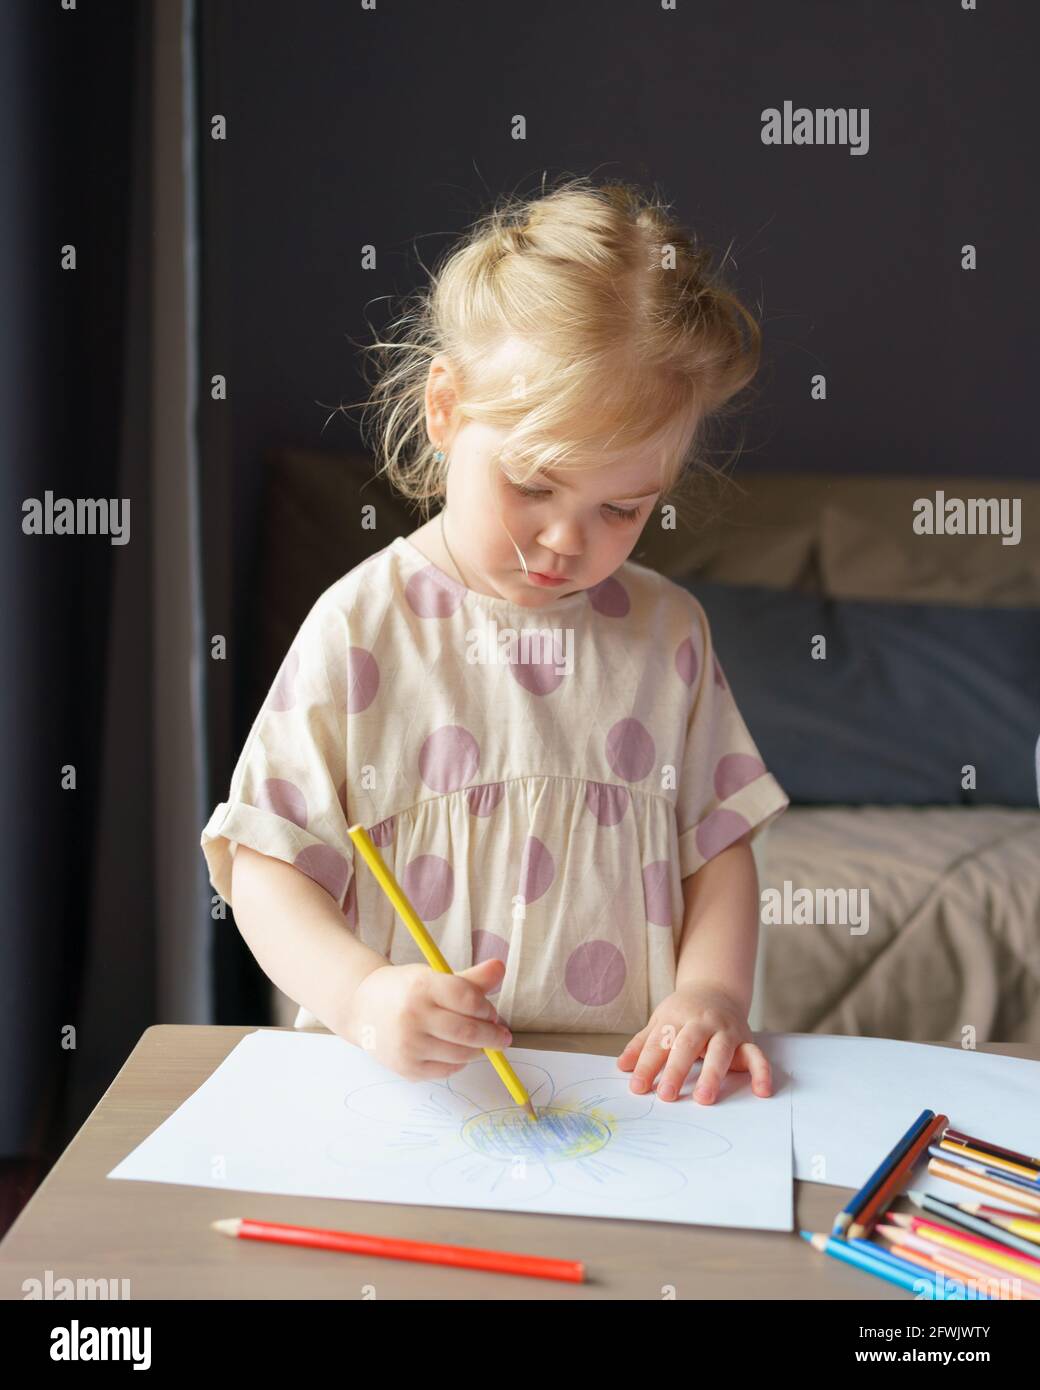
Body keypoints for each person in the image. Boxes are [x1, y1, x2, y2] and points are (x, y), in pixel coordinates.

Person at [201, 176, 789, 1107]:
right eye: (532, 484)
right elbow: (266, 865)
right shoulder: (361, 626)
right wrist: (362, 997)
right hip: (397, 1094)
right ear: (446, 410)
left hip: (620, 1097)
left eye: (622, 508)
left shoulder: (668, 631)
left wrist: (710, 993)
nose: (566, 540)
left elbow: (717, 848)